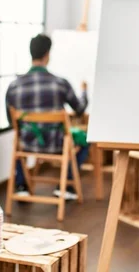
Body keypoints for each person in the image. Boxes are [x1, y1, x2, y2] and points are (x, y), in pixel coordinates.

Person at [5, 33, 89, 200]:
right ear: (47, 55)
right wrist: (84, 91)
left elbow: (11, 121)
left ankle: (21, 185)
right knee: (87, 139)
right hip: (55, 144)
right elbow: (79, 109)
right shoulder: (60, 83)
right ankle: (66, 184)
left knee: (17, 138)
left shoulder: (14, 86)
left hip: (26, 144)